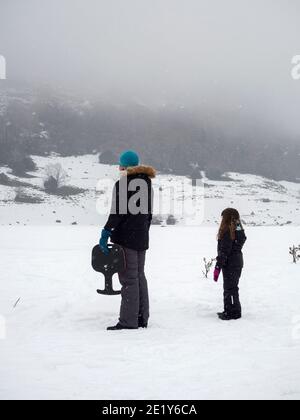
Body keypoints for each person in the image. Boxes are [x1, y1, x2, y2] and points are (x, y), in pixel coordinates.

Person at [99, 150, 156, 331]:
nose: (118, 167)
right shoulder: (147, 184)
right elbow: (149, 214)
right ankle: (141, 318)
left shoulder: (123, 184)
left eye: (120, 164)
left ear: (125, 166)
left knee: (129, 279)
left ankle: (128, 321)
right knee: (139, 277)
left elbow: (118, 211)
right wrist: (143, 232)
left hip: (126, 239)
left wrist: (106, 231)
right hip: (141, 239)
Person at [214, 208, 247, 321]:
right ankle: (229, 310)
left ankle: (233, 313)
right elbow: (241, 238)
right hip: (236, 262)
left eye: (223, 217)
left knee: (230, 288)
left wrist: (218, 267)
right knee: (231, 287)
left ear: (227, 218)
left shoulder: (227, 231)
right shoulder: (237, 229)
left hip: (230, 264)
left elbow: (224, 251)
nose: (222, 219)